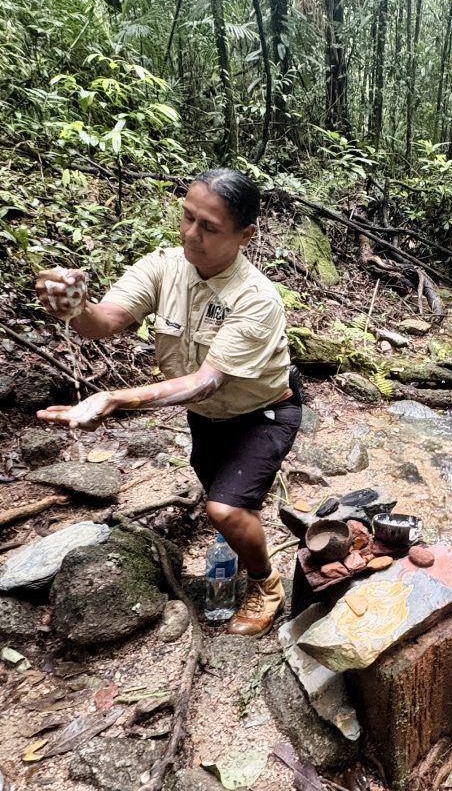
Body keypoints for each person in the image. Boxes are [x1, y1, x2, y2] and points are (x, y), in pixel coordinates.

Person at [35, 167, 301, 637]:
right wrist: (74, 306)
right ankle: (240, 536)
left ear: (245, 235)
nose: (191, 234)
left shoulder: (256, 298)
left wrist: (114, 398)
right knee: (227, 501)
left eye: (209, 227)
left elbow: (205, 382)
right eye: (187, 217)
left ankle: (267, 584)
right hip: (207, 418)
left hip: (263, 413)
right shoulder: (163, 266)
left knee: (225, 509)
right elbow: (103, 322)